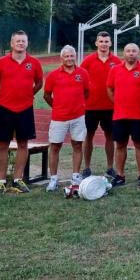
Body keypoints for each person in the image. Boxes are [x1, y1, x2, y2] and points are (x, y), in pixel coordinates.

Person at [0, 30, 44, 194]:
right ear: (11, 43)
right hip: (5, 108)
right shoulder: (0, 62)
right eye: (17, 41)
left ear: (27, 43)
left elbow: (39, 83)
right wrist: (3, 97)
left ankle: (17, 180)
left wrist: (28, 95)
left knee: (23, 144)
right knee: (2, 145)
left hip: (25, 108)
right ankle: (1, 181)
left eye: (23, 41)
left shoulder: (34, 63)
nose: (20, 43)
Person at [106, 43, 140, 188]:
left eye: (134, 51)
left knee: (139, 144)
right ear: (124, 53)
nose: (131, 53)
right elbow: (109, 88)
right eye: (128, 51)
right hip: (119, 115)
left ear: (138, 53)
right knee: (120, 145)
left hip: (138, 115)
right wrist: (117, 103)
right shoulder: (115, 70)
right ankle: (120, 176)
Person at [43, 45, 89, 192]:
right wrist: (57, 106)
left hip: (78, 117)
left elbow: (86, 92)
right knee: (55, 147)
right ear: (61, 58)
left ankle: (75, 176)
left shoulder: (83, 73)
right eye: (66, 56)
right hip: (59, 117)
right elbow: (46, 95)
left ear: (75, 56)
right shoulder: (53, 75)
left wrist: (78, 105)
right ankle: (53, 179)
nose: (69, 58)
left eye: (71, 56)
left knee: (77, 145)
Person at [80, 31, 121, 179]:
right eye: (101, 41)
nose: (104, 44)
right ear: (96, 43)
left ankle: (110, 168)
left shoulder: (117, 61)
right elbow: (80, 79)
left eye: (106, 41)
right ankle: (86, 167)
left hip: (110, 106)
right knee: (88, 136)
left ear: (110, 43)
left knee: (110, 136)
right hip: (90, 106)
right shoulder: (88, 60)